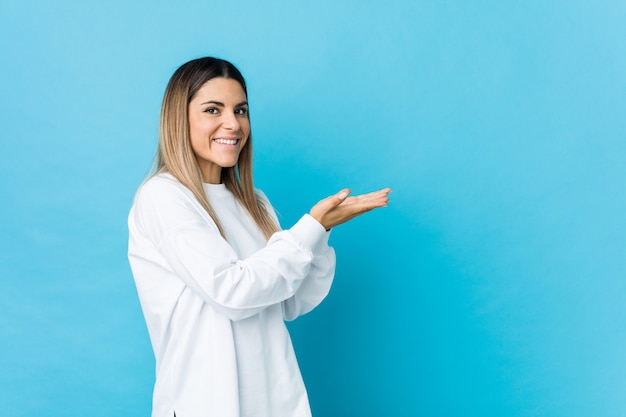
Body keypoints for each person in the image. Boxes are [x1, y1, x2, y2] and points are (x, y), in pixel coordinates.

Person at [128, 57, 391, 417]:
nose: (232, 124)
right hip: (203, 403)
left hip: (273, 401)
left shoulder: (253, 203)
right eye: (212, 109)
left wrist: (321, 230)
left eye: (240, 110)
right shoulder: (163, 196)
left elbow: (291, 301)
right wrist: (309, 227)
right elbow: (231, 292)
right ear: (179, 118)